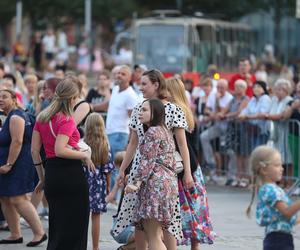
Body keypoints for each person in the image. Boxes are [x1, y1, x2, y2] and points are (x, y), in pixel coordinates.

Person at [113, 69, 194, 250]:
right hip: (141, 169)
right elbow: (132, 144)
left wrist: (187, 173)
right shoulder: (139, 109)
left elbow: (182, 145)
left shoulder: (173, 109)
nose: (140, 88)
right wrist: (123, 169)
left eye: (144, 84)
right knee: (139, 221)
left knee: (167, 223)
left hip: (160, 171)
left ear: (156, 85)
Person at [31, 77, 95, 250]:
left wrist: (42, 177)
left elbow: (34, 151)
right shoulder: (66, 120)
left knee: (57, 224)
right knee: (76, 225)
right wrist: (83, 156)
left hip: (52, 172)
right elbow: (60, 150)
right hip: (70, 174)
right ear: (72, 98)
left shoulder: (42, 117)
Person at [166, 77, 215, 249]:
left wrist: (187, 172)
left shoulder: (178, 111)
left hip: (186, 167)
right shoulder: (185, 110)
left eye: (166, 90)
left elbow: (183, 145)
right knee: (194, 210)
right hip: (190, 166)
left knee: (187, 210)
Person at [125, 98, 178, 250]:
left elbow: (148, 161)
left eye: (145, 110)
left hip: (155, 185)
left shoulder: (153, 132)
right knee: (154, 233)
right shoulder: (165, 131)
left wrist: (136, 183)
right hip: (167, 184)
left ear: (155, 112)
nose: (140, 113)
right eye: (141, 109)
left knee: (153, 236)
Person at [0, 89, 46, 246]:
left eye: (4, 97)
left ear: (14, 99)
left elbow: (17, 141)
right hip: (10, 164)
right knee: (5, 198)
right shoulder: (8, 117)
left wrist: (9, 164)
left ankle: (39, 233)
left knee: (18, 198)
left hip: (19, 163)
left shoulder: (16, 116)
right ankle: (15, 234)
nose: (0, 99)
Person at [246, 145, 300, 250]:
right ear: (264, 170)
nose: (282, 168)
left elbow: (289, 218)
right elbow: (287, 212)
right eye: (277, 165)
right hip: (278, 241)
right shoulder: (269, 190)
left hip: (282, 239)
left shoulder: (273, 189)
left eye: (281, 165)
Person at [106, 65, 138, 202]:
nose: (119, 75)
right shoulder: (115, 89)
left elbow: (133, 120)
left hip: (120, 134)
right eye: (118, 73)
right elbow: (109, 105)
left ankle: (113, 198)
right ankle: (111, 196)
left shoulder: (131, 95)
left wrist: (130, 140)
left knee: (116, 166)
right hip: (110, 132)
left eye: (123, 74)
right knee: (110, 165)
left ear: (129, 78)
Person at [84, 113, 114, 250]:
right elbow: (108, 169)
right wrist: (108, 186)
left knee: (81, 215)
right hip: (98, 183)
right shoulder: (105, 145)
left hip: (83, 182)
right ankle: (95, 247)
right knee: (96, 217)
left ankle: (80, 245)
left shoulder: (82, 143)